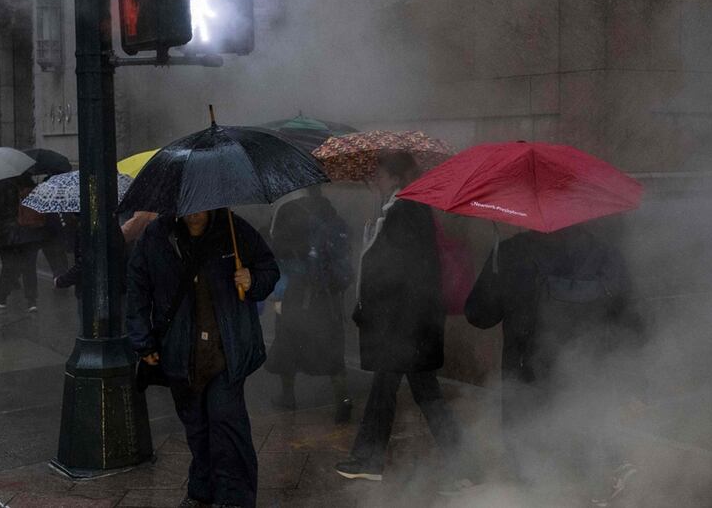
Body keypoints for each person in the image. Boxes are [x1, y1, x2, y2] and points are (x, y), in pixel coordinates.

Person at [465, 224, 645, 504]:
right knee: (585, 457)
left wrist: (498, 267)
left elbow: (478, 314)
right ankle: (603, 485)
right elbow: (631, 320)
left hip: (525, 382)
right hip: (587, 378)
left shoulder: (512, 251)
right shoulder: (604, 251)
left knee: (532, 468)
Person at [127, 209, 279, 508]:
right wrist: (142, 341)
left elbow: (269, 268)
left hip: (226, 350)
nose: (194, 214)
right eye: (186, 208)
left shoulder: (234, 229)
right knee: (196, 427)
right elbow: (137, 287)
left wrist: (253, 279)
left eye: (200, 208)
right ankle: (202, 491)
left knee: (227, 423)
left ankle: (234, 498)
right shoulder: (156, 236)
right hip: (180, 352)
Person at [336, 151, 466, 487]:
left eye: (379, 174)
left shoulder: (406, 210)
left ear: (395, 178)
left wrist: (370, 306)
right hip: (408, 324)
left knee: (408, 392)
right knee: (416, 393)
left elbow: (394, 270)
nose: (375, 179)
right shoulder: (402, 208)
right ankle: (464, 468)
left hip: (405, 326)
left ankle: (371, 459)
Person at [266, 186, 355, 423]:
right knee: (333, 351)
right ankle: (343, 399)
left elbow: (279, 255)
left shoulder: (287, 210)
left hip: (296, 293)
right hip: (327, 297)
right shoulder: (331, 214)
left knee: (288, 346)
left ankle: (288, 396)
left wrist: (278, 294)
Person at [0, 174, 54, 312]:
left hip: (11, 235)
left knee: (9, 266)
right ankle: (31, 301)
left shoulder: (5, 188)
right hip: (31, 234)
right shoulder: (33, 188)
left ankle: (2, 298)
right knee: (29, 267)